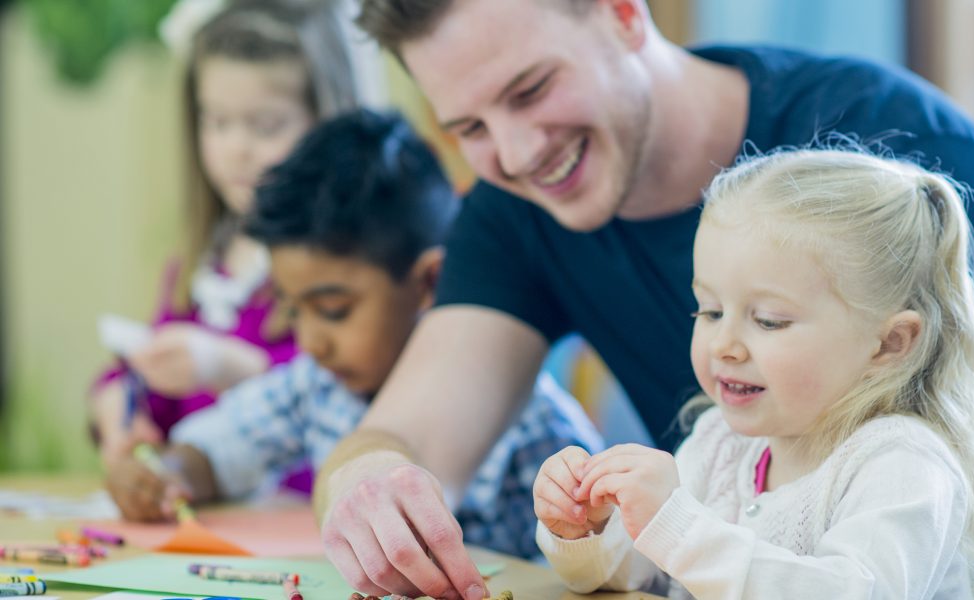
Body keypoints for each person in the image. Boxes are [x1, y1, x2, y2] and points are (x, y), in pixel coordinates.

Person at [316, 1, 974, 597]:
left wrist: (681, 526)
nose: (515, 151)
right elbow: (403, 436)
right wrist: (372, 490)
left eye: (530, 90)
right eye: (468, 129)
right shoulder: (516, 207)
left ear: (623, 12)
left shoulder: (904, 157)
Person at [103, 110, 603, 560]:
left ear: (430, 282)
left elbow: (605, 558)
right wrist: (166, 475)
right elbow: (222, 448)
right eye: (293, 310)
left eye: (333, 310)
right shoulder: (316, 386)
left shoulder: (534, 424)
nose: (312, 341)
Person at [534, 149, 974, 599]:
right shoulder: (720, 442)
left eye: (768, 320)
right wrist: (587, 530)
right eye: (709, 311)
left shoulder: (904, 466)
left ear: (889, 344)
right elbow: (635, 577)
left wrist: (677, 525)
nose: (724, 344)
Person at [89, 0, 359, 483]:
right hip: (214, 521)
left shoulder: (351, 266)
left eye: (266, 125)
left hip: (308, 523)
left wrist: (231, 367)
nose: (237, 148)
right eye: (217, 122)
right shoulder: (202, 263)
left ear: (327, 123)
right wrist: (121, 408)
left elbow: (351, 407)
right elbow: (160, 391)